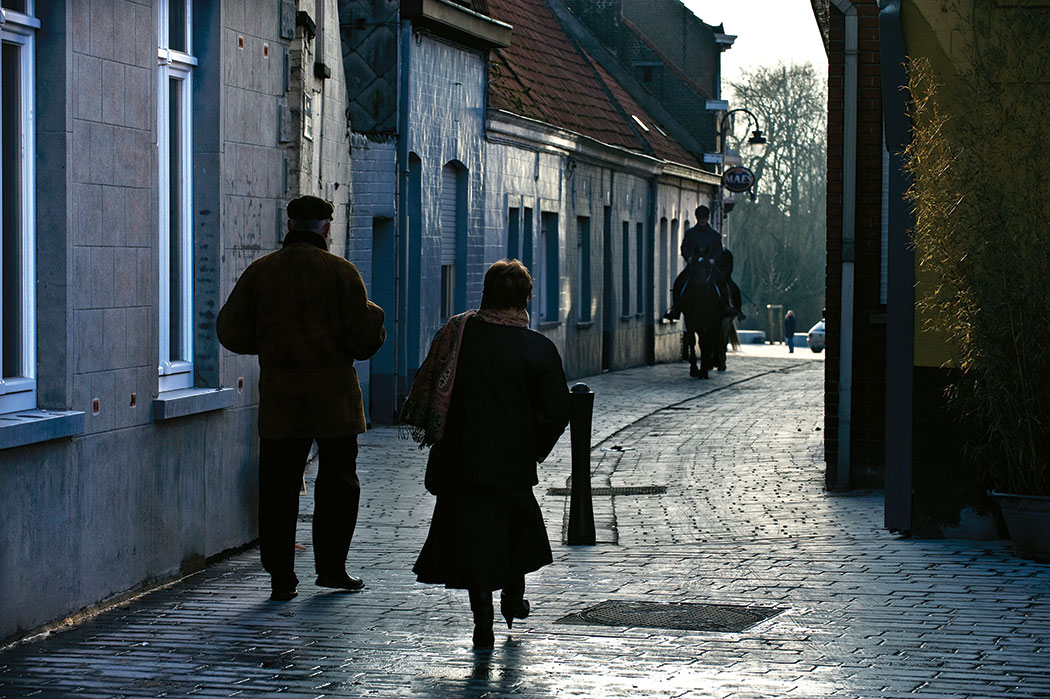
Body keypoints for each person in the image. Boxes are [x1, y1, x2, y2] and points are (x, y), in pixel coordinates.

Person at [217, 195, 386, 601]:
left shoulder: (262, 272)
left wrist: (272, 345)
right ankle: (332, 569)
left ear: (289, 225)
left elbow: (229, 330)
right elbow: (364, 341)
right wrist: (373, 318)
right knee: (338, 484)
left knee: (278, 486)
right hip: (335, 399)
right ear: (327, 228)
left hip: (282, 397)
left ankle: (281, 578)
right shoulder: (341, 273)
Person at [401, 259, 570, 650]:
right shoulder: (538, 348)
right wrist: (533, 445)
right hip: (511, 465)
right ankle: (513, 598)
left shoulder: (458, 333)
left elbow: (429, 383)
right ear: (526, 298)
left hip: (461, 461)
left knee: (473, 545)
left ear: (486, 294)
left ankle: (483, 623)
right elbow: (558, 410)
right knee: (512, 536)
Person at [663, 205, 736, 321]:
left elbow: (718, 249)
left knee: (722, 282)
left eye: (704, 218)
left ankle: (726, 306)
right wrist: (689, 258)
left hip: (709, 267)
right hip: (694, 266)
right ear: (697, 218)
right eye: (700, 218)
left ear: (707, 218)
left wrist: (714, 259)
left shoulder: (714, 235)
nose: (702, 220)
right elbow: (684, 247)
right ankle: (675, 309)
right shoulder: (690, 233)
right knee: (678, 282)